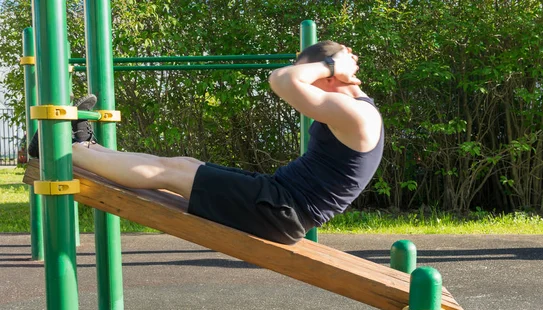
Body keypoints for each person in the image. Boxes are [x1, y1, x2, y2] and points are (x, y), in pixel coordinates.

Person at [29, 41, 384, 245]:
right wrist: (331, 66)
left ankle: (57, 148)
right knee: (182, 164)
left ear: (327, 77)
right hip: (278, 200)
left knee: (172, 172)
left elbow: (282, 80)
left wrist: (328, 64)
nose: (311, 89)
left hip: (282, 213)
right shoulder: (354, 111)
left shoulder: (355, 114)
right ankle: (83, 148)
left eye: (318, 79)